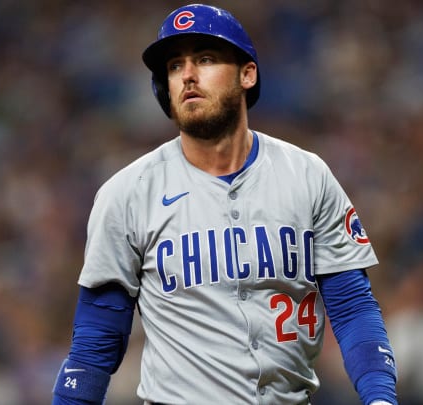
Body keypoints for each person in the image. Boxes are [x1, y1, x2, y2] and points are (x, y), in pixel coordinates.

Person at [52, 4, 398, 405]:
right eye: (175, 66)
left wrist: (380, 397)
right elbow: (96, 341)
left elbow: (352, 306)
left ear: (247, 74)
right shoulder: (128, 192)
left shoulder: (307, 175)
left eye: (205, 59)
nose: (188, 76)